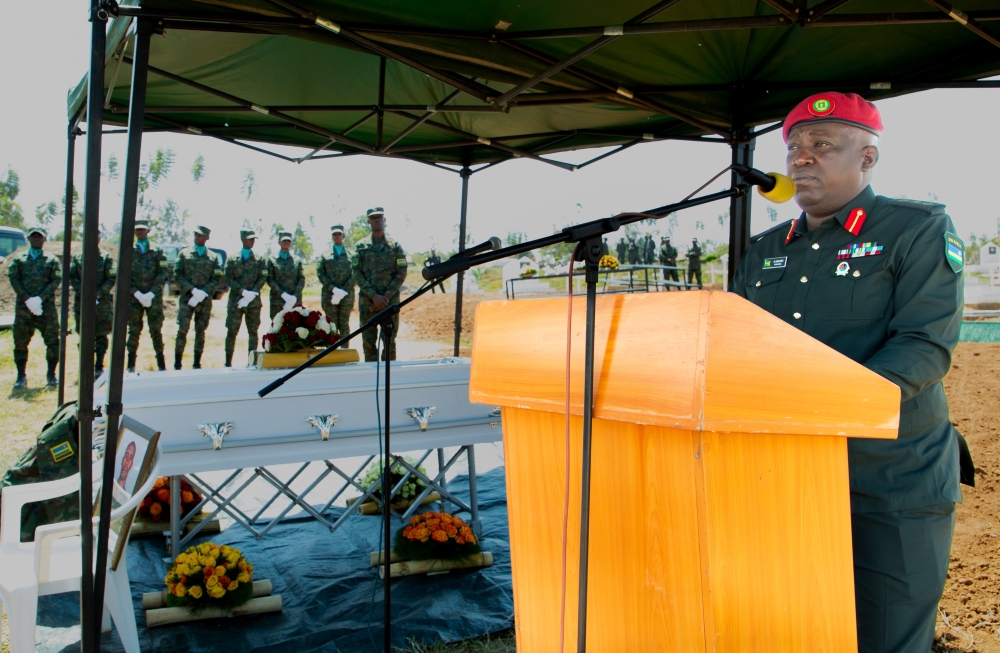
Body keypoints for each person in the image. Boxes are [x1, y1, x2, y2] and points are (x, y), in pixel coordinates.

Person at [730, 91, 964, 653]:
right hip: (786, 477)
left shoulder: (916, 228)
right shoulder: (763, 250)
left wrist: (827, 411)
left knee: (887, 635)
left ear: (867, 158)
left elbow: (923, 346)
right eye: (794, 147)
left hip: (892, 479)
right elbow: (736, 349)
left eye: (822, 144)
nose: (801, 157)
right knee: (798, 630)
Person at [8, 227, 61, 389]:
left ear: (45, 239)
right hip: (24, 308)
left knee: (53, 341)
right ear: (29, 239)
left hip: (46, 308)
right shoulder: (19, 259)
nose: (37, 239)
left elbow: (56, 280)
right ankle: (21, 376)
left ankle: (51, 375)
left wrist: (40, 299)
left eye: (40, 237)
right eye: (34, 236)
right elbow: (13, 278)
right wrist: (27, 298)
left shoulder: (51, 260)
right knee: (20, 342)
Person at [352, 207, 407, 362]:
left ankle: (389, 375)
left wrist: (386, 297)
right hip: (368, 303)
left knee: (389, 342)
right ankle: (371, 375)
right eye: (373, 218)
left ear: (384, 220)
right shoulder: (360, 246)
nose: (377, 220)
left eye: (379, 217)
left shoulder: (395, 246)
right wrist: (374, 296)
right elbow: (356, 273)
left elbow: (402, 271)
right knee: (368, 343)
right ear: (369, 221)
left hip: (390, 303)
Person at [173, 225, 222, 370]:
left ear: (207, 237)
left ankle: (196, 363)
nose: (197, 237)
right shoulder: (184, 253)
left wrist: (204, 292)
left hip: (204, 301)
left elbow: (216, 278)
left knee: (200, 331)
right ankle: (177, 364)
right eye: (196, 234)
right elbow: (177, 274)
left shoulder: (213, 257)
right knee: (182, 330)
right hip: (187, 299)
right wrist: (192, 290)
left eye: (200, 235)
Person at [69, 233, 115, 377]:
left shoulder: (106, 257)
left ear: (99, 239)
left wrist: (99, 294)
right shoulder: (77, 257)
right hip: (82, 303)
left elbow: (111, 277)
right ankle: (86, 366)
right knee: (84, 335)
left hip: (102, 303)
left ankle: (99, 366)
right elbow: (73, 277)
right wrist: (85, 294)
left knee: (101, 335)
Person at [126, 219, 169, 372]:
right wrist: (136, 293)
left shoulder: (157, 250)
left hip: (153, 297)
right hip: (134, 298)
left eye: (143, 229)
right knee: (133, 331)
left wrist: (151, 293)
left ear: (148, 231)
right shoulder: (128, 250)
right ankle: (130, 365)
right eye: (137, 229)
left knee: (156, 330)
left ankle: (161, 364)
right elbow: (123, 274)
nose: (140, 232)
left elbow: (163, 272)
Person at [224, 229, 267, 367]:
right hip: (236, 302)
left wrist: (251, 294)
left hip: (253, 302)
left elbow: (263, 277)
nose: (252, 241)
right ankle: (228, 362)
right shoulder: (232, 258)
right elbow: (228, 278)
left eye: (254, 239)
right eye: (249, 239)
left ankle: (252, 362)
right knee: (232, 331)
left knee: (253, 332)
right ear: (242, 239)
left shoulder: (260, 259)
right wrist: (242, 292)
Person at [316, 224, 355, 344]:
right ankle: (331, 352)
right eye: (334, 234)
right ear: (332, 236)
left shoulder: (352, 255)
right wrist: (333, 289)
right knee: (330, 325)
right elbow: (320, 273)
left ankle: (345, 351)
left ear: (343, 236)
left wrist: (343, 290)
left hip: (346, 296)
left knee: (344, 325)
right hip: (329, 296)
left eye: (339, 234)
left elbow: (356, 274)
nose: (337, 236)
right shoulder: (325, 255)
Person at [267, 230, 305, 319]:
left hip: (294, 301)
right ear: (279, 242)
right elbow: (269, 279)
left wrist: (294, 297)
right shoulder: (271, 259)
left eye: (289, 241)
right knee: (277, 325)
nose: (286, 243)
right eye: (284, 241)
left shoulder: (297, 260)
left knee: (296, 325)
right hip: (277, 301)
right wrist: (283, 294)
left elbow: (302, 279)